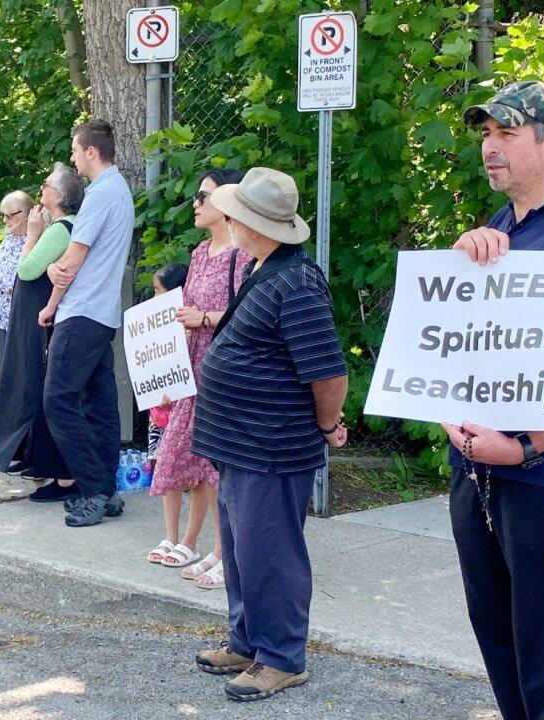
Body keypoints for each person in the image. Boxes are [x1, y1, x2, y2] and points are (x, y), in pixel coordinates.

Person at [190, 167, 348, 703]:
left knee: (270, 551)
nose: (226, 219)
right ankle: (247, 641)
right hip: (241, 442)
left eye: (232, 213)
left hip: (271, 444)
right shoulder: (266, 268)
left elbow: (327, 372)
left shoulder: (297, 281)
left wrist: (328, 427)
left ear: (248, 222)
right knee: (239, 549)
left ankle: (282, 657)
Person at [439, 81, 544, 720]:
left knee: (542, 645)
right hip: (476, 470)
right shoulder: (499, 230)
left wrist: (528, 444)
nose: (490, 148)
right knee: (498, 635)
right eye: (486, 135)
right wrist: (458, 268)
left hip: (537, 477)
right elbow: (457, 350)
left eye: (506, 134)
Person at [148, 168, 252, 589]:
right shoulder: (198, 253)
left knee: (219, 465)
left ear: (227, 204)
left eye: (203, 194)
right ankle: (192, 542)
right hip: (193, 366)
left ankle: (226, 553)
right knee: (184, 455)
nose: (195, 202)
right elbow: (183, 311)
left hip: (225, 367)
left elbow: (251, 314)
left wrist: (204, 318)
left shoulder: (244, 256)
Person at [38, 120, 134, 527]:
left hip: (81, 312)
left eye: (76, 151)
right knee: (99, 405)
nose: (73, 158)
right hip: (103, 313)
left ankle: (93, 489)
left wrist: (51, 297)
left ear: (91, 151)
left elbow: (72, 260)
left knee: (58, 399)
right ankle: (107, 491)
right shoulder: (121, 191)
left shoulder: (100, 195)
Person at [0, 162, 82, 501]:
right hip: (42, 324)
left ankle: (63, 476)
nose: (39, 192)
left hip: (44, 326)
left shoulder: (58, 230)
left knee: (48, 399)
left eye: (44, 187)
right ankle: (41, 463)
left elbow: (25, 270)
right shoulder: (60, 228)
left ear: (58, 196)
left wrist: (32, 235)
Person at [142, 263, 188, 545]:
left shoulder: (187, 326)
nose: (154, 297)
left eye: (159, 291)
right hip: (159, 410)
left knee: (192, 475)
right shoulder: (154, 326)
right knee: (166, 472)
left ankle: (187, 539)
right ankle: (170, 536)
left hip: (181, 409)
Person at [0, 190, 33, 362]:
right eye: (2, 215)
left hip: (24, 319)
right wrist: (6, 286)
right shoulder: (8, 241)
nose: (4, 220)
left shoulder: (36, 241)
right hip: (4, 317)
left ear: (25, 214)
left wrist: (6, 284)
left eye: (9, 215)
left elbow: (22, 279)